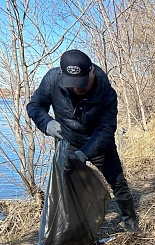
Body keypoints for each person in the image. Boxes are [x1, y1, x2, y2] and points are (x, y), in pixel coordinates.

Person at [27, 49, 139, 232]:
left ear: (92, 72)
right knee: (66, 189)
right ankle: (74, 232)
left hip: (98, 142)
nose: (77, 89)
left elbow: (106, 129)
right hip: (67, 141)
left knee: (118, 181)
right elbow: (34, 106)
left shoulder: (106, 92)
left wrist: (84, 154)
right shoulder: (52, 80)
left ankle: (130, 222)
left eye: (82, 84)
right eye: (72, 85)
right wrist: (47, 124)